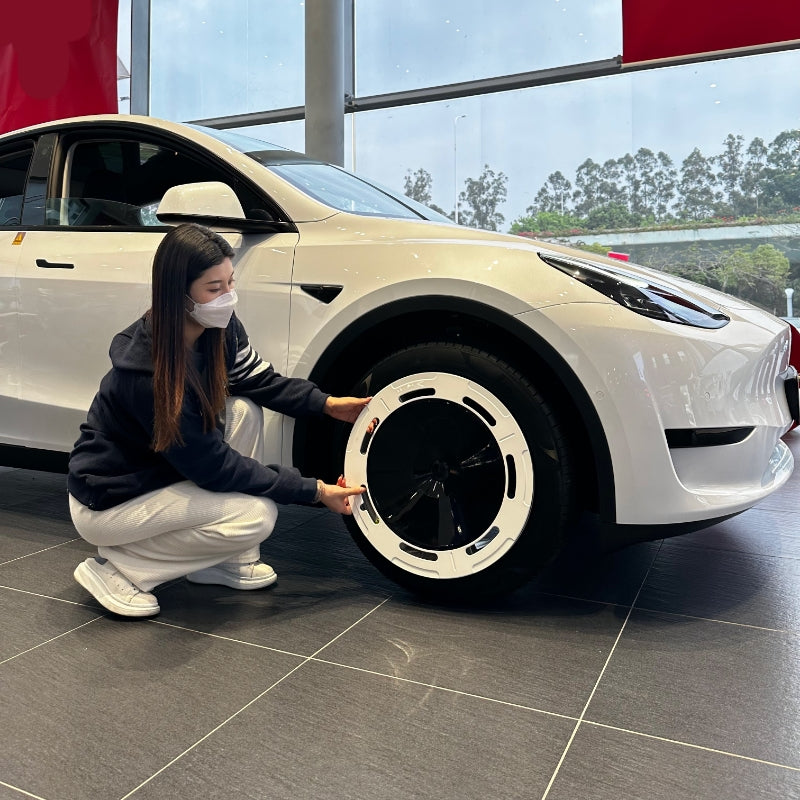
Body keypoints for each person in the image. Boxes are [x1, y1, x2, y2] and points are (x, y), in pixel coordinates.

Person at [68, 223, 369, 618]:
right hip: (110, 499)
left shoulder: (219, 329)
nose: (228, 297)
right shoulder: (148, 375)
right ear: (179, 294)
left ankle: (219, 561)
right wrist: (313, 490)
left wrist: (327, 404)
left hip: (159, 472)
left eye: (230, 282)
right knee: (256, 515)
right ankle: (120, 571)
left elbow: (259, 380)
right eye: (214, 289)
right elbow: (215, 468)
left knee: (245, 410)